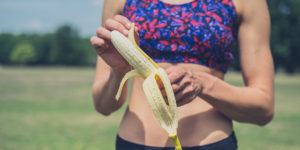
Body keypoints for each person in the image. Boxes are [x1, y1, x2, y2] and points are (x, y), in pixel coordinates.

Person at [90, 0, 274, 149]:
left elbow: (263, 108)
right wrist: (118, 72)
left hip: (210, 144)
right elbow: (103, 105)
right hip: (133, 143)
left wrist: (202, 84)